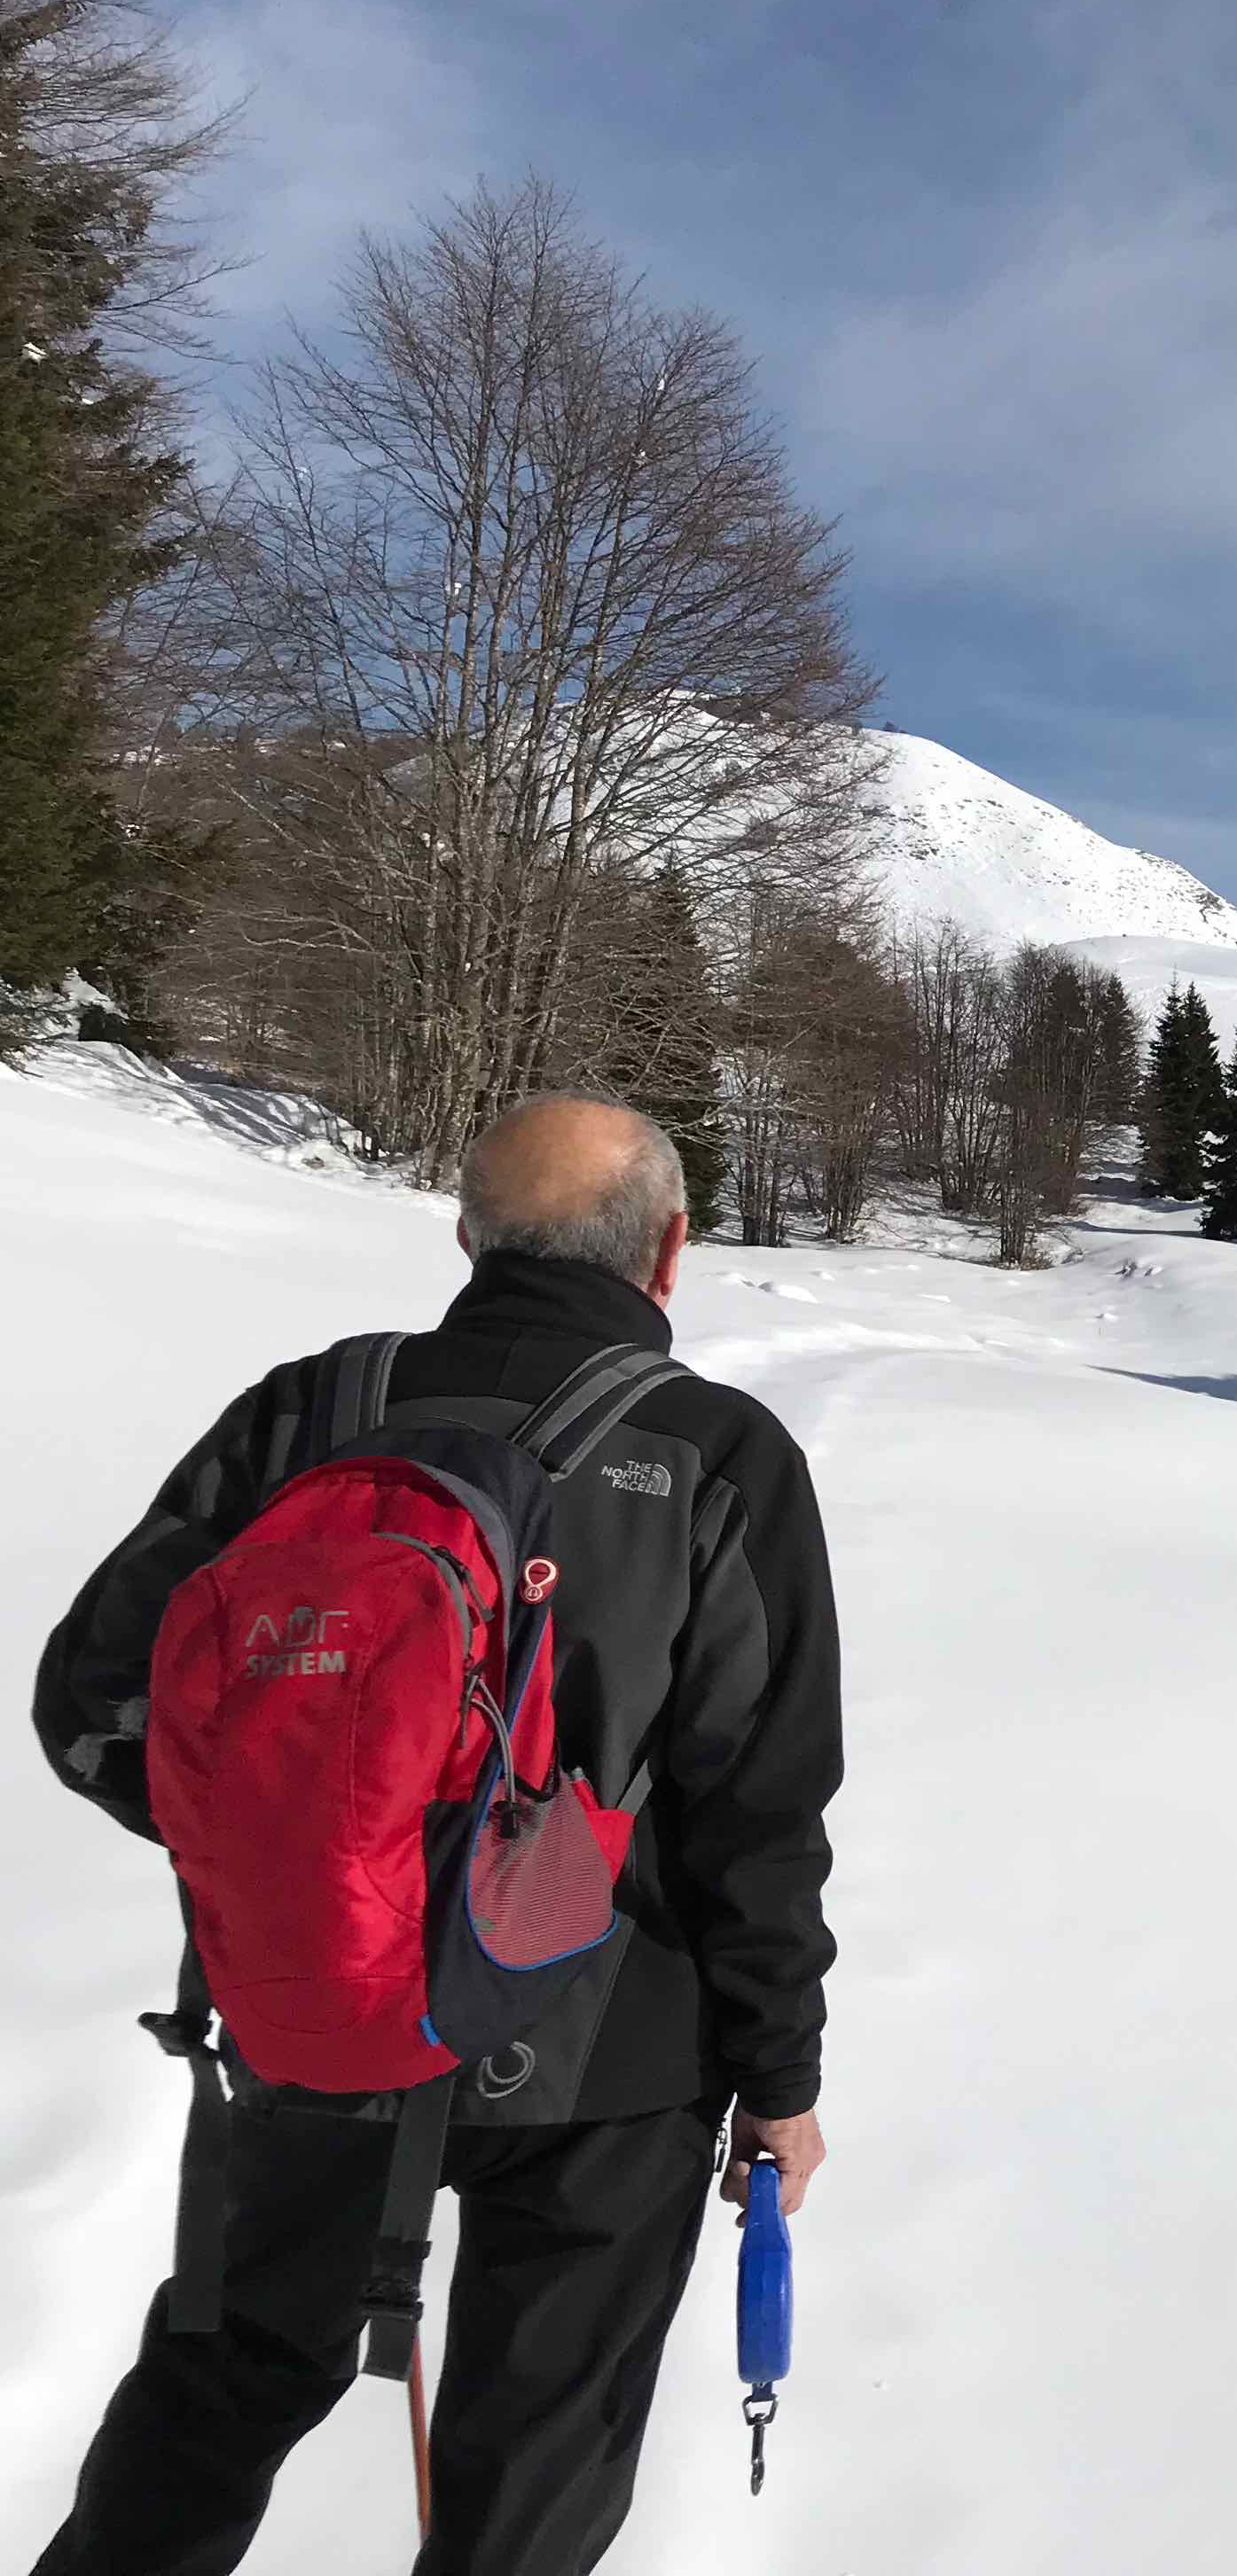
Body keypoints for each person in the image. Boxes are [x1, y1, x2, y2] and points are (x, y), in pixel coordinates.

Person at [27, 1094, 845, 2576]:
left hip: (309, 2008)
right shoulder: (719, 1456)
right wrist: (779, 2081)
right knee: (532, 2467)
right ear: (671, 1251)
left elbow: (91, 1698)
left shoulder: (314, 1408)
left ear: (467, 1236)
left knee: (220, 2391)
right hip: (613, 2058)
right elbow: (758, 1814)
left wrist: (298, 1851)